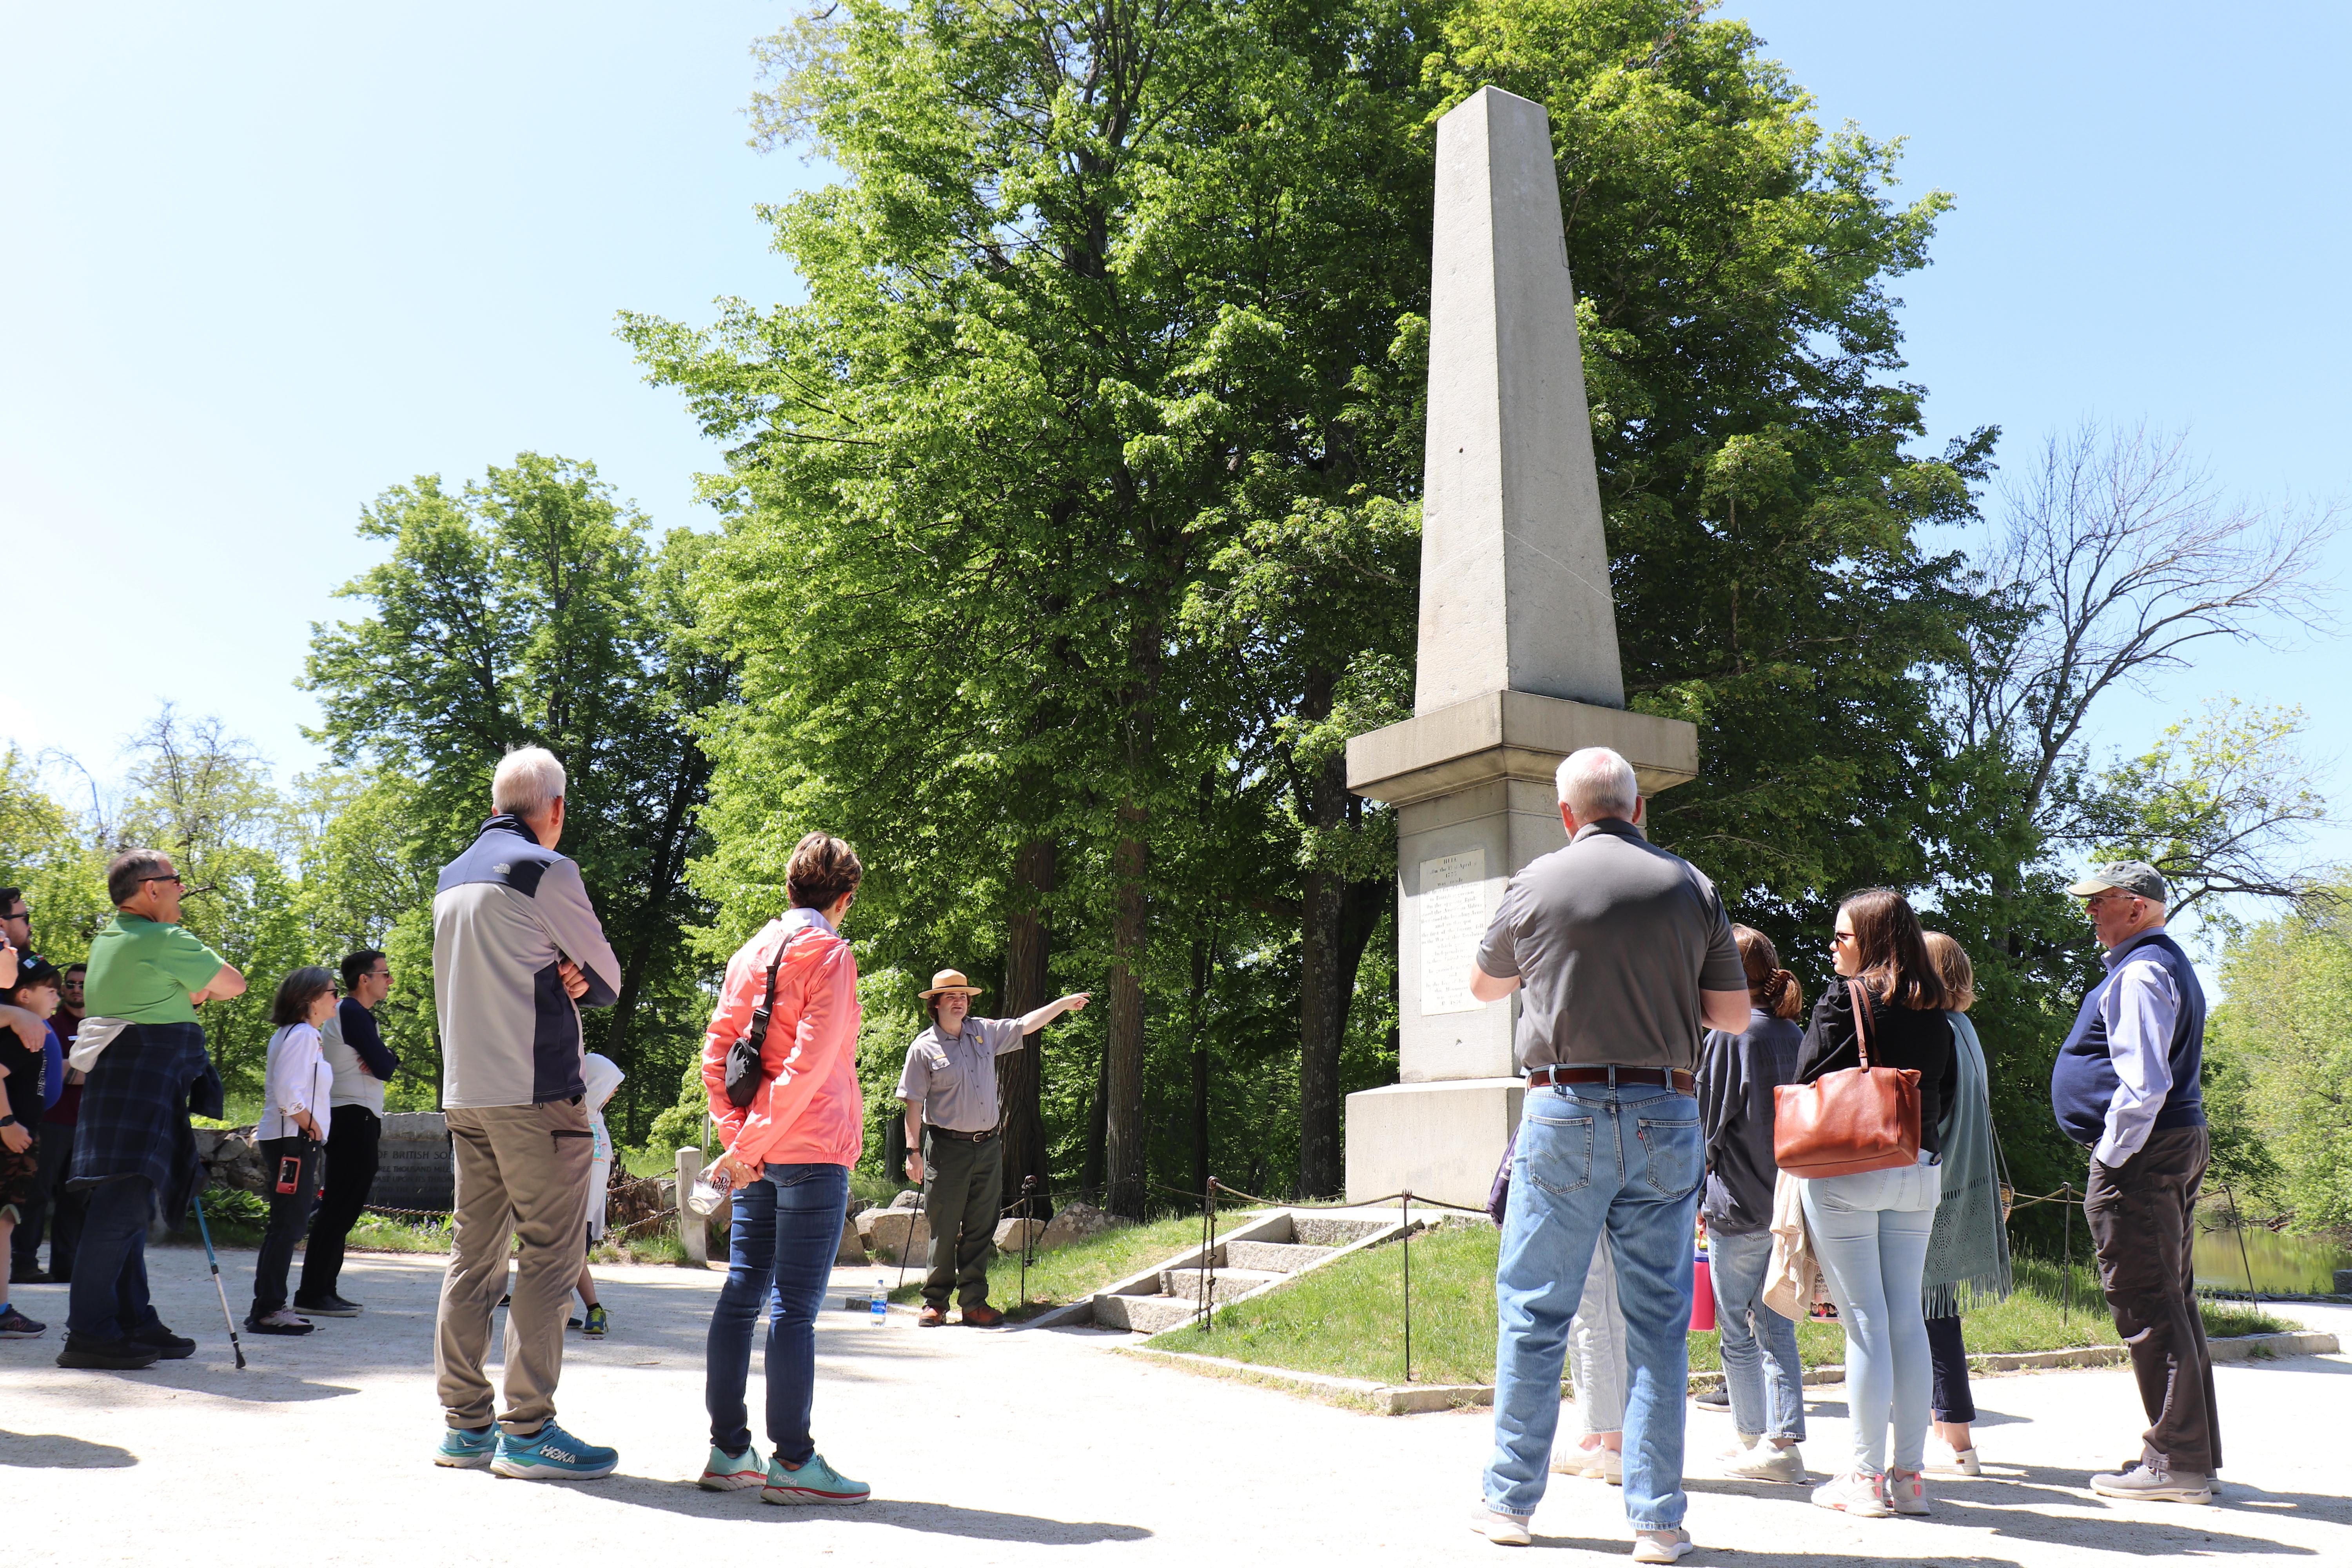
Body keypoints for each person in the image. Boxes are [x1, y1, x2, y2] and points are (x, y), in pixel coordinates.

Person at [1468, 747, 1750, 1562]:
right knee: (1658, 1323)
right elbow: (1731, 1015)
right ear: (1638, 809)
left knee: (1535, 1311)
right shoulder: (1690, 884)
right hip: (1667, 1107)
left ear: (1568, 814)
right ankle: (1657, 1521)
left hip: (1564, 1104)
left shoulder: (1533, 882)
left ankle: (1509, 1503)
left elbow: (1486, 986)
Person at [430, 746, 622, 1480]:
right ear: (555, 810)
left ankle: (465, 1427)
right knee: (550, 1256)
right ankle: (530, 1431)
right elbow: (603, 978)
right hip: (536, 1097)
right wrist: (572, 972)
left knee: (472, 1257)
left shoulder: (451, 878)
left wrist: (557, 966)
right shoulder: (547, 869)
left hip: (466, 1095)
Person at [697, 831, 871, 1506]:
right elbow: (810, 1065)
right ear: (844, 899)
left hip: (757, 1155)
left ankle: (729, 1451)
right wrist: (749, 1149)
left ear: (790, 888)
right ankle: (793, 1463)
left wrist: (739, 1140)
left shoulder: (750, 953)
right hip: (812, 1148)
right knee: (794, 1311)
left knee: (742, 1295)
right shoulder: (830, 954)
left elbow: (718, 1053)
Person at [2055, 862, 2219, 1504]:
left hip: (2144, 1153)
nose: (2091, 914)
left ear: (2137, 906)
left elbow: (2144, 1083)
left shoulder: (2144, 971)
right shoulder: (2155, 964)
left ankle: (2175, 1462)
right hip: (2167, 1144)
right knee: (2168, 1299)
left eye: (2100, 903)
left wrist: (2112, 1156)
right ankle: (2188, 1458)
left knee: (2148, 1302)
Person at [1793, 889, 1955, 1519]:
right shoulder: (1935, 1010)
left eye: (1842, 937)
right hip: (1919, 1169)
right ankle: (1910, 1479)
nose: (1832, 947)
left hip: (1851, 1171)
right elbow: (1946, 1095)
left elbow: (1809, 1076)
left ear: (1872, 942)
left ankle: (1863, 1480)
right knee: (1905, 1320)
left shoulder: (1846, 998)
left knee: (1864, 1323)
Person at [65, 849, 240, 1370]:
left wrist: (189, 992)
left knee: (130, 1211)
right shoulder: (164, 939)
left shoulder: (109, 940)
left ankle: (133, 1319)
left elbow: (184, 998)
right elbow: (232, 984)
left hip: (128, 1086)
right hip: (142, 1087)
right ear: (151, 889)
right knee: (118, 1215)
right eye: (176, 880)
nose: (183, 888)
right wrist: (196, 987)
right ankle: (90, 1334)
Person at [896, 970, 1091, 1327]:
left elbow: (1024, 1025)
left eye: (964, 996)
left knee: (982, 1227)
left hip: (988, 1146)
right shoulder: (923, 1048)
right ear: (935, 1003)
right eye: (952, 996)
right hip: (945, 1148)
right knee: (944, 1227)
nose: (960, 1002)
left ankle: (974, 1304)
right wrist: (912, 1152)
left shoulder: (983, 1032)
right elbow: (912, 1103)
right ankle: (935, 1304)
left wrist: (1062, 1005)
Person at [1698, 926, 1809, 1483]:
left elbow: (1706, 1123)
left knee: (1738, 1331)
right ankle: (1783, 1443)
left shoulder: (1730, 1036)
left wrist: (1694, 1190)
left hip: (1738, 1205)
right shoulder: (1796, 1034)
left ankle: (1750, 1437)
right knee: (1777, 1330)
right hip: (1789, 1208)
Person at [296, 949, 397, 1317]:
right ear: (364, 979)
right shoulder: (352, 1011)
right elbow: (385, 1067)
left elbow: (380, 1063)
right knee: (341, 1206)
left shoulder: (356, 1016)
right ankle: (313, 1292)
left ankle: (323, 1290)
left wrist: (381, 1058)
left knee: (343, 1205)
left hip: (356, 1115)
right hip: (353, 1116)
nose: (390, 980)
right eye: (384, 974)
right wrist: (385, 1058)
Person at [249, 967, 338, 1336]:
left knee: (288, 1224)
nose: (338, 998)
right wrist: (311, 1126)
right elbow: (289, 1094)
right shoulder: (302, 1035)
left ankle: (270, 1306)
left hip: (291, 1138)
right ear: (310, 999)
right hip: (294, 1140)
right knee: (287, 1226)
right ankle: (269, 1309)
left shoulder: (300, 1034)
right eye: (333, 992)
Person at [0, 956, 66, 1338]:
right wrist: (7, 1123)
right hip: (11, 1143)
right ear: (24, 995)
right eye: (52, 990)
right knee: (3, 1226)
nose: (58, 996)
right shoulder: (22, 1035)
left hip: (21, 1139)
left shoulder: (30, 1031)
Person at [30, 963, 89, 1283]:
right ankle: (24, 1262)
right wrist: (83, 1071)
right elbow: (52, 1068)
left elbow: (82, 1071)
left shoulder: (100, 1027)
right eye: (70, 984)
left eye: (82, 983)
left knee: (75, 1199)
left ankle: (66, 1267)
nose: (76, 989)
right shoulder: (49, 1023)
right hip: (52, 1121)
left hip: (87, 1126)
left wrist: (74, 1070)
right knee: (37, 1195)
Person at [573, 1051, 622, 1336]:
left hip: (588, 1212)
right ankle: (595, 1309)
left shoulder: (597, 1118)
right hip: (571, 1209)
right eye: (609, 1086)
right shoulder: (573, 1118)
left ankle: (559, 1309)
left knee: (573, 1263)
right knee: (573, 1261)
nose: (613, 1093)